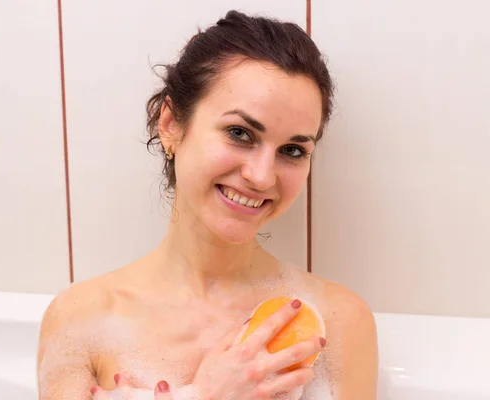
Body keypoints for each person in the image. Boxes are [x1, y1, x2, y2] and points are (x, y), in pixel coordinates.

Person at [36, 9, 378, 400]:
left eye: (293, 150)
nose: (263, 176)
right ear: (170, 125)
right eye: (239, 133)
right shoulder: (81, 321)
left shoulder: (335, 322)